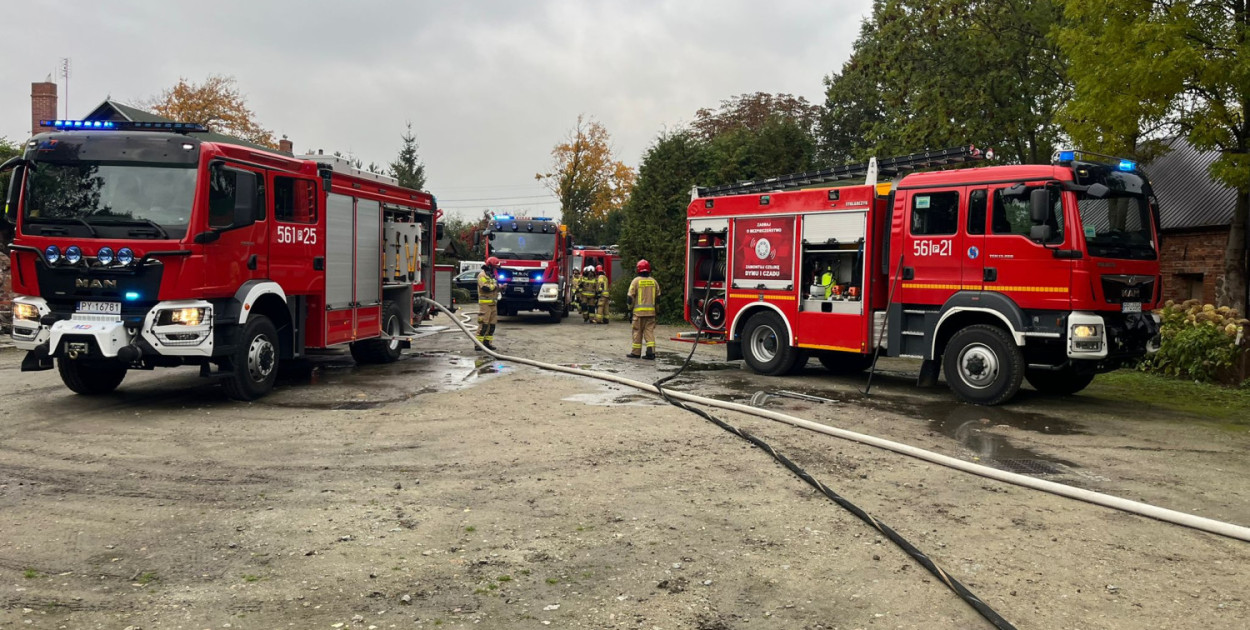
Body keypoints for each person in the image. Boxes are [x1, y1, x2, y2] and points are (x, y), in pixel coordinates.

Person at [626, 259, 660, 360]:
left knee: (637, 332)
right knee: (649, 332)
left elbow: (630, 298)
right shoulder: (654, 282)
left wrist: (629, 310)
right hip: (651, 313)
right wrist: (657, 311)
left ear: (638, 269)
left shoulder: (635, 281)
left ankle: (636, 353)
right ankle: (651, 353)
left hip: (638, 314)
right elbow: (658, 299)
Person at [476, 257, 500, 351]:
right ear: (490, 266)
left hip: (493, 304)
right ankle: (478, 344)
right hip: (485, 305)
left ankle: (487, 343)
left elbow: (493, 288)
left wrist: (500, 288)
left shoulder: (492, 276)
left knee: (492, 325)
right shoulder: (482, 275)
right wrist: (496, 286)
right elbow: (485, 288)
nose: (495, 269)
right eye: (494, 267)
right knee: (483, 325)